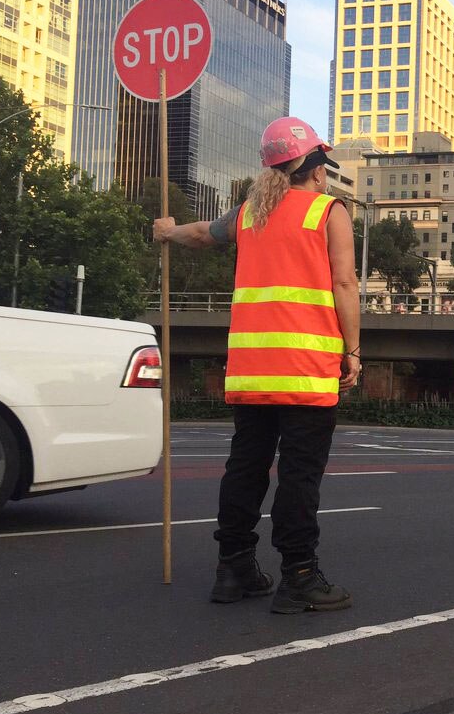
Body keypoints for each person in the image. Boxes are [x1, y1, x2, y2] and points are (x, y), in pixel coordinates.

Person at [153, 117, 361, 614]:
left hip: (250, 370)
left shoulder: (251, 213)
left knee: (245, 467)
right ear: (314, 168)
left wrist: (169, 231)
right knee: (298, 476)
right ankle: (300, 577)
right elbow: (345, 285)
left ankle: (235, 569)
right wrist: (352, 351)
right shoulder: (328, 211)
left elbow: (204, 234)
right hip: (305, 369)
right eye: (324, 168)